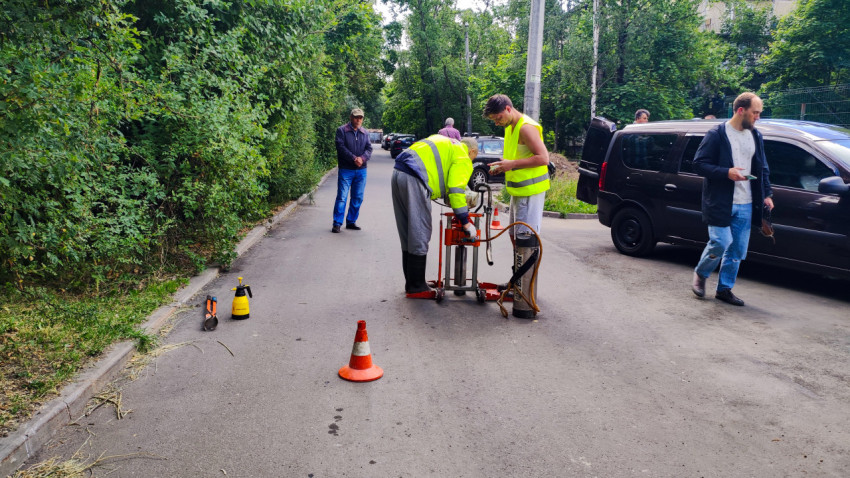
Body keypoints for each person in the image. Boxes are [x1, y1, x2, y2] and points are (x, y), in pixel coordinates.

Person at [691, 92, 774, 306]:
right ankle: (701, 274)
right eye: (755, 113)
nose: (758, 117)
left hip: (746, 202)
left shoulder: (755, 135)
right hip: (720, 201)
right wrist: (726, 172)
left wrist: (767, 194)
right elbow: (699, 164)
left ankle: (724, 289)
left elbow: (762, 167)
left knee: (737, 250)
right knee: (721, 241)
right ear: (741, 110)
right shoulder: (717, 134)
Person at [483, 94, 550, 318]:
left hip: (530, 193)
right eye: (494, 119)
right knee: (515, 237)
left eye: (498, 117)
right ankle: (518, 280)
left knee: (527, 240)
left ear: (509, 109)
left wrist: (511, 164)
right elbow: (516, 160)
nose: (497, 122)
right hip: (518, 192)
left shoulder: (526, 127)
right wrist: (504, 167)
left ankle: (527, 290)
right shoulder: (510, 127)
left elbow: (543, 158)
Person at [391, 135, 478, 297]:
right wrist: (465, 222)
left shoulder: (447, 143)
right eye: (474, 157)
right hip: (414, 178)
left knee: (407, 231)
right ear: (472, 151)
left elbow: (441, 174)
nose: (472, 161)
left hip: (398, 172)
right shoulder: (463, 156)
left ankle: (411, 282)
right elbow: (456, 190)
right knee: (420, 230)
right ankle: (417, 285)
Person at [332, 108, 372, 233]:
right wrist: (354, 158)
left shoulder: (365, 133)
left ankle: (351, 221)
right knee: (342, 197)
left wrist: (362, 158)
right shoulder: (342, 130)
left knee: (358, 197)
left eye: (360, 117)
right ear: (350, 117)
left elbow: (369, 149)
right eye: (356, 117)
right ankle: (337, 223)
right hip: (346, 170)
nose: (358, 119)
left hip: (361, 171)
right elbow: (341, 148)